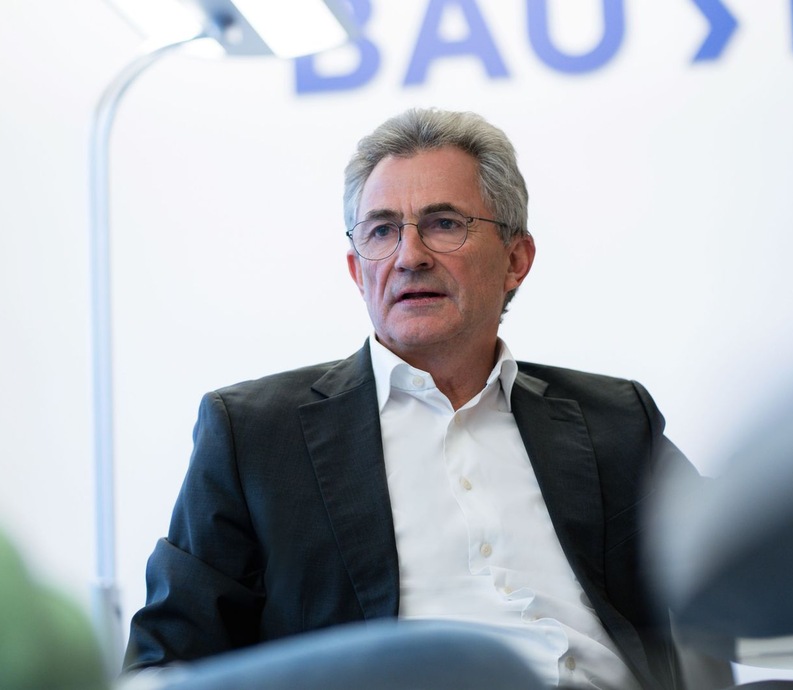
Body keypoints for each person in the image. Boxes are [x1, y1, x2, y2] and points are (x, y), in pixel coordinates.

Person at [124, 108, 709, 690]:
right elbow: (165, 662)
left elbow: (737, 574)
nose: (409, 256)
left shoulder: (613, 419)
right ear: (357, 272)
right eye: (382, 231)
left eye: (444, 223)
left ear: (516, 260)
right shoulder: (254, 436)